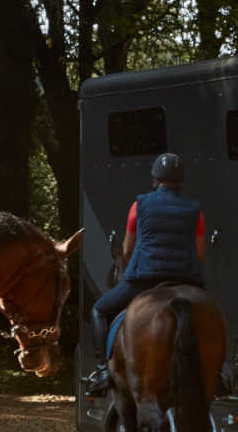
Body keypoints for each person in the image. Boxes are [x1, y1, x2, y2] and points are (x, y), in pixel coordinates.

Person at [81, 152, 207, 397]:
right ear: (181, 180)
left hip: (145, 279)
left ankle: (102, 370)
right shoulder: (195, 210)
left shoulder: (140, 205)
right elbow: (200, 252)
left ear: (154, 179)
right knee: (210, 315)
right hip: (185, 280)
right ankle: (220, 372)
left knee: (99, 310)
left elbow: (127, 249)